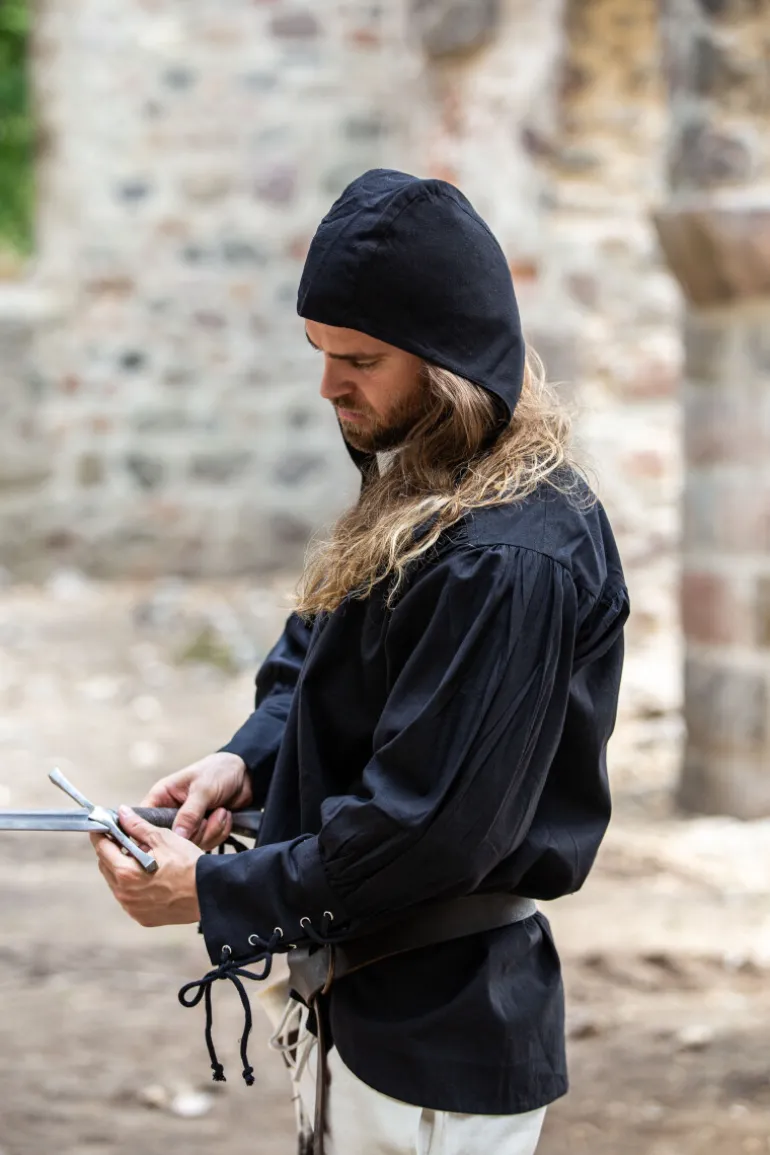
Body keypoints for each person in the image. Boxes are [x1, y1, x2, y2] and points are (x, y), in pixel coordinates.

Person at [91, 169, 630, 1155]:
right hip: (372, 1011)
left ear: (448, 360)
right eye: (321, 354)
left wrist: (211, 896)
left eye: (361, 358)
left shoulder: (505, 559)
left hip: (440, 1040)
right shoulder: (424, 491)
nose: (330, 384)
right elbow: (315, 655)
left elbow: (429, 831)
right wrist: (247, 758)